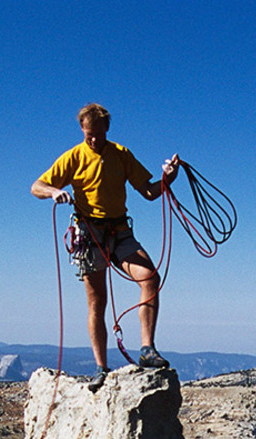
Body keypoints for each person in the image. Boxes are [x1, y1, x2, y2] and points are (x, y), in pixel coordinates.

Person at [32, 103, 180, 388]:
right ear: (82, 130)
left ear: (106, 129)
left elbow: (149, 191)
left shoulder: (120, 155)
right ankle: (101, 367)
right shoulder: (74, 157)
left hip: (119, 231)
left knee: (150, 278)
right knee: (97, 300)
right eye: (89, 135)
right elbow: (36, 186)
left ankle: (147, 349)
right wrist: (54, 191)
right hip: (90, 234)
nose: (94, 140)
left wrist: (168, 179)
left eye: (98, 134)